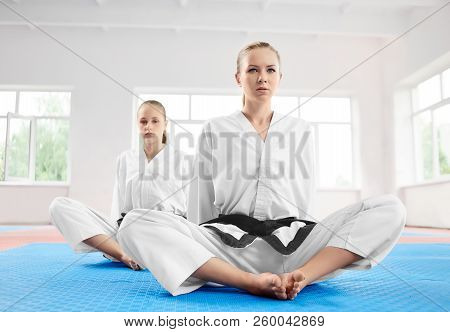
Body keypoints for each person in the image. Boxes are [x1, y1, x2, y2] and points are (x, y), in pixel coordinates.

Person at [117, 42, 406, 299]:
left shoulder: (300, 130)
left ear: (280, 77)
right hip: (227, 247)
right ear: (238, 77)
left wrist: (307, 244)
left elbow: (305, 195)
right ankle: (247, 282)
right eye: (252, 70)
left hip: (293, 246)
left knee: (391, 207)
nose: (262, 77)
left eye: (270, 70)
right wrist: (197, 243)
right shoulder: (215, 129)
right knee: (133, 222)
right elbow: (201, 197)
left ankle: (303, 276)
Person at [49, 100, 189, 271]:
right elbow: (119, 203)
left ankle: (151, 254)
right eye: (143, 121)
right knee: (59, 205)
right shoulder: (126, 159)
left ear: (165, 124)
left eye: (155, 121)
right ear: (137, 124)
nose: (148, 127)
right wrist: (121, 234)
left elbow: (190, 208)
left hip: (167, 234)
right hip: (129, 234)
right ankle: (122, 254)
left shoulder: (182, 160)